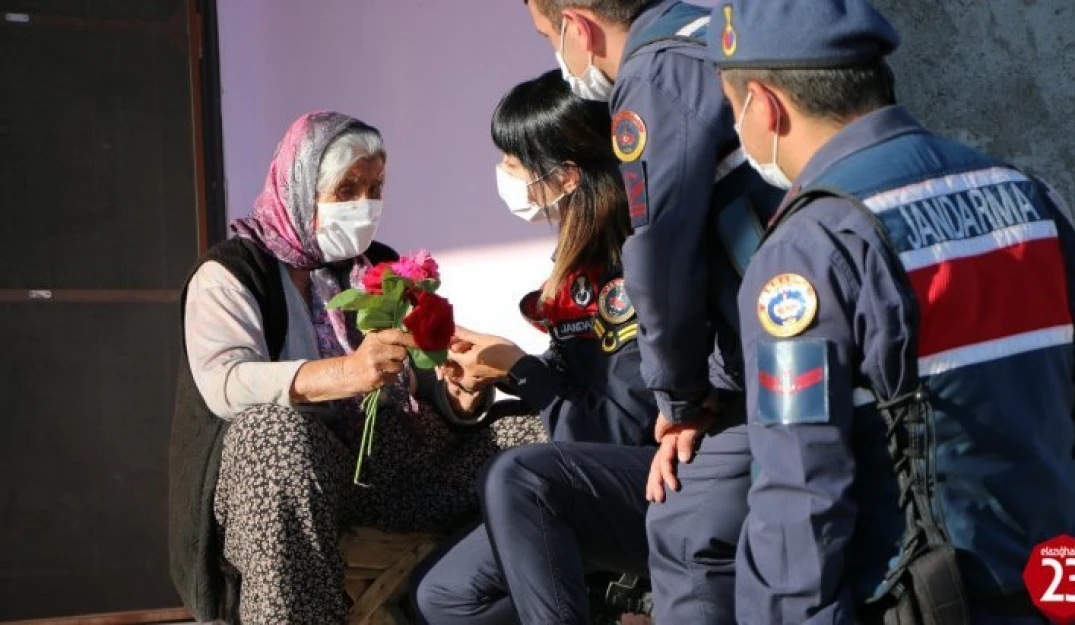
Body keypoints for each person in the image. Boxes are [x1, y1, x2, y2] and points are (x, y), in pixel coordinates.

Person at [695, 1, 1075, 623]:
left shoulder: (811, 248)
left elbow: (800, 493)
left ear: (764, 104)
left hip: (927, 602)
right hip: (1057, 596)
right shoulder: (1029, 198)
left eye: (733, 110)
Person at [167, 111, 545, 625]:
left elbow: (425, 384)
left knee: (542, 432)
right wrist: (348, 372)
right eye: (346, 189)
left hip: (407, 471)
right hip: (315, 481)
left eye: (374, 187)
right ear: (301, 188)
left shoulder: (383, 267)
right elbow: (225, 383)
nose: (364, 205)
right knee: (269, 435)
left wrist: (460, 392)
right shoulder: (231, 274)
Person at [520, 1, 784, 621]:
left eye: (549, 37)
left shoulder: (654, 73)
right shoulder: (713, 32)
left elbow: (662, 252)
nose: (559, 60)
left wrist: (683, 403)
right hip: (782, 340)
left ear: (578, 26)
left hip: (779, 352)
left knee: (686, 525)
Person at [412, 69, 659, 625]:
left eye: (513, 163)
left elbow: (613, 430)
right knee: (441, 596)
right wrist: (494, 370)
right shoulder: (582, 256)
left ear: (567, 175)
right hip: (593, 474)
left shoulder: (630, 268)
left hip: (653, 480)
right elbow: (581, 371)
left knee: (512, 476)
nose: (504, 174)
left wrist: (522, 368)